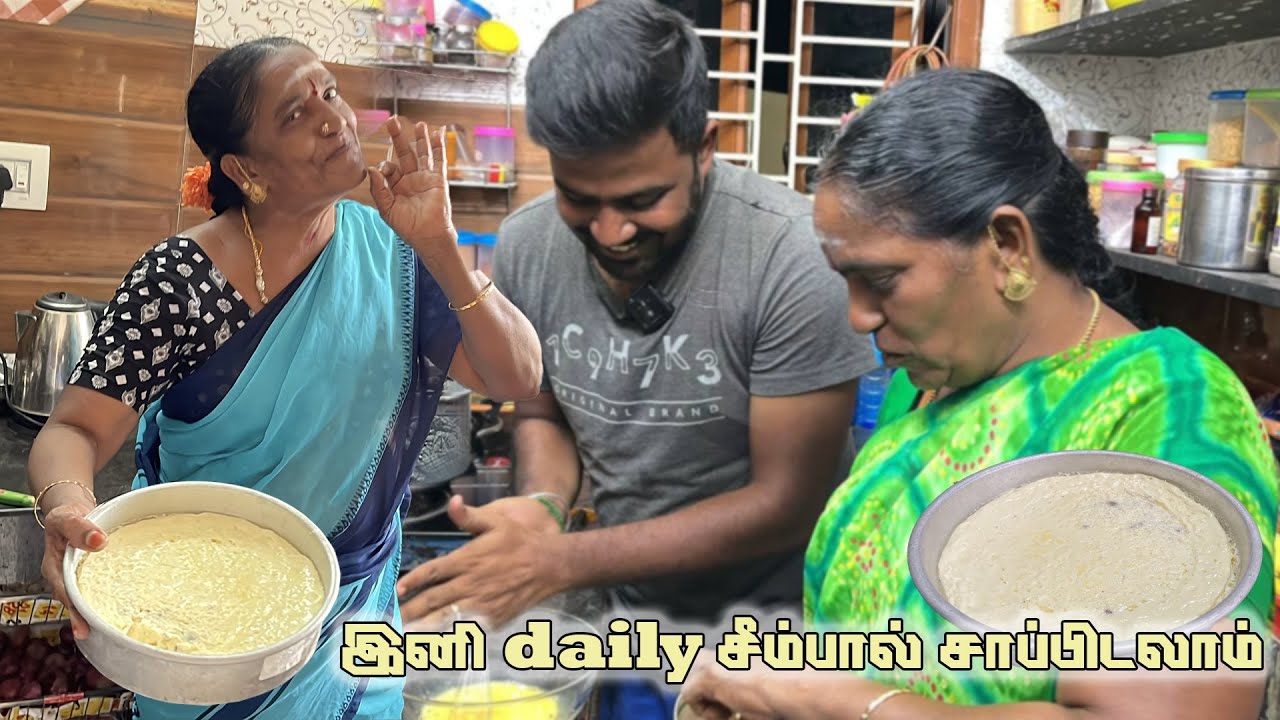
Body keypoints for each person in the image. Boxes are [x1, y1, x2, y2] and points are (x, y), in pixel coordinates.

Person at [678, 68, 1278, 719]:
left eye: (880, 278)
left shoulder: (1168, 409)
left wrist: (833, 698)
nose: (858, 316)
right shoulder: (944, 377)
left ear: (1008, 247)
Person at [27, 37, 541, 719]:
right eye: (296, 114)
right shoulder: (179, 280)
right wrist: (65, 505)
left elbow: (518, 375)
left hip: (352, 625)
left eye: (329, 93)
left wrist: (440, 244)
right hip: (197, 625)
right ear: (244, 166)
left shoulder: (394, 251)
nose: (332, 117)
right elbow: (76, 428)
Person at [395, 0, 876, 710]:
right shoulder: (528, 245)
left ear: (704, 146)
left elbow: (785, 504)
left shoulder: (791, 258)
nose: (611, 229)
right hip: (625, 621)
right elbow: (541, 411)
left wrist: (559, 558)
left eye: (643, 199)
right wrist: (544, 506)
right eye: (579, 198)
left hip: (775, 640)